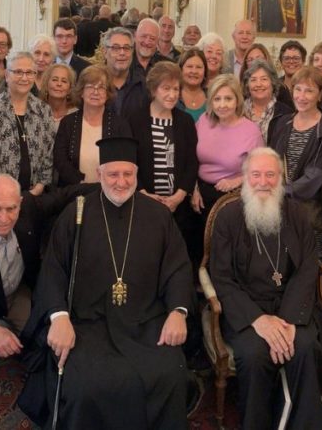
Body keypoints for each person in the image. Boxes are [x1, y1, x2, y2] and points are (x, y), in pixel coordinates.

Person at [22, 136, 194, 429]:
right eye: (113, 174)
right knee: (85, 387)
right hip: (87, 323)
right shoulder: (77, 213)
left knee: (171, 375)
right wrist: (59, 317)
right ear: (100, 174)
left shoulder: (158, 215)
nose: (121, 182)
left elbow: (178, 267)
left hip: (145, 321)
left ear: (137, 175)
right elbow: (53, 270)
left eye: (128, 174)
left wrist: (178, 311)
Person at [209, 147, 322, 428]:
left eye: (270, 175)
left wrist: (286, 319)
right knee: (253, 353)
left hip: (292, 303)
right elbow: (221, 276)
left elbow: (309, 267)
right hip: (247, 308)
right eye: (256, 174)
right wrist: (258, 320)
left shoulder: (297, 214)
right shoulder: (228, 217)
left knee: (306, 344)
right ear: (245, 178)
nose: (263, 181)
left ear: (281, 178)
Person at [0, 174, 93, 388]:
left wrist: (110, 185)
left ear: (20, 204)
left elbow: (63, 196)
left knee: (45, 328)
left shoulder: (29, 207)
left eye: (11, 209)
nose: (4, 218)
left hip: (15, 292)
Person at [128, 61, 199, 263]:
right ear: (153, 90)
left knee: (176, 259)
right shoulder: (135, 120)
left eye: (176, 89)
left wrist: (178, 196)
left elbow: (192, 163)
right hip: (143, 204)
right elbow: (130, 161)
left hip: (178, 208)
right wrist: (144, 194)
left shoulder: (185, 121)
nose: (172, 94)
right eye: (166, 88)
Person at [267, 67, 322, 260]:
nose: (302, 96)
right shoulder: (281, 123)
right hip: (278, 212)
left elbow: (315, 178)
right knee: (279, 267)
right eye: (298, 89)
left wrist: (280, 191)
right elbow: (271, 161)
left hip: (308, 216)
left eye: (309, 91)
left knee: (308, 271)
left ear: (320, 94)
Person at [0, 51, 56, 196]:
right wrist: (0, 189)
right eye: (18, 72)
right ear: (6, 75)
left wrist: (40, 186)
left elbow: (49, 152)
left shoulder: (43, 110)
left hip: (35, 195)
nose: (24, 77)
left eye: (29, 72)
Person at [193, 74, 264, 219]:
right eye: (217, 99)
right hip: (199, 194)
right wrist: (193, 190)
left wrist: (236, 181)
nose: (222, 105)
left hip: (232, 197)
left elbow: (260, 170)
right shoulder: (203, 121)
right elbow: (190, 159)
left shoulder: (251, 130)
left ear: (237, 100)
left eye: (228, 99)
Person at [54, 65, 132, 186]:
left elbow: (126, 161)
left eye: (101, 88)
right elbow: (60, 159)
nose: (96, 92)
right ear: (81, 92)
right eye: (90, 87)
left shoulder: (120, 125)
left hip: (110, 191)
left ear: (107, 94)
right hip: (73, 191)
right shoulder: (68, 123)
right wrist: (80, 182)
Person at [101, 27, 147, 120]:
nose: (122, 53)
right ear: (105, 52)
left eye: (126, 48)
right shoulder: (93, 83)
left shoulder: (144, 85)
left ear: (132, 52)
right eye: (116, 48)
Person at [243, 59, 293, 140]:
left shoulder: (286, 113)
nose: (258, 84)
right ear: (247, 85)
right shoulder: (238, 111)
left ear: (273, 83)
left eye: (264, 79)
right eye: (253, 80)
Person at [40, 63, 78, 129]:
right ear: (46, 85)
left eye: (64, 81)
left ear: (70, 89)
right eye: (55, 80)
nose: (59, 84)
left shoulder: (77, 116)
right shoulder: (36, 113)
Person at [178, 49, 209, 121]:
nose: (194, 71)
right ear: (180, 69)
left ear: (205, 71)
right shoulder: (173, 97)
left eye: (199, 67)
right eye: (189, 66)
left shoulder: (213, 96)